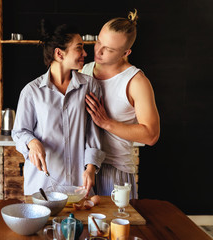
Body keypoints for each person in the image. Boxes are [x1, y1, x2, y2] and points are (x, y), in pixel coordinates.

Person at [11, 21, 105, 196]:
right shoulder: (32, 91)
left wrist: (91, 168)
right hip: (43, 186)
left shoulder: (90, 86)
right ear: (59, 53)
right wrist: (32, 142)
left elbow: (93, 132)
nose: (85, 53)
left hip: (79, 185)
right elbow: (19, 132)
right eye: (79, 48)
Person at [81, 9, 160, 198]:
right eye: (99, 41)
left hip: (115, 170)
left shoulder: (136, 81)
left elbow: (151, 135)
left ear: (126, 52)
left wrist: (107, 123)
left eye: (108, 49)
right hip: (84, 167)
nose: (98, 51)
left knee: (117, 228)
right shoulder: (85, 69)